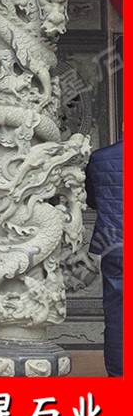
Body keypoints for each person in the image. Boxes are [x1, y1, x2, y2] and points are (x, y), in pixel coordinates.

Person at [85, 138, 123, 377]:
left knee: (117, 315)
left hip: (114, 245)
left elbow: (92, 199)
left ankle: (118, 375)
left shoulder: (100, 157)